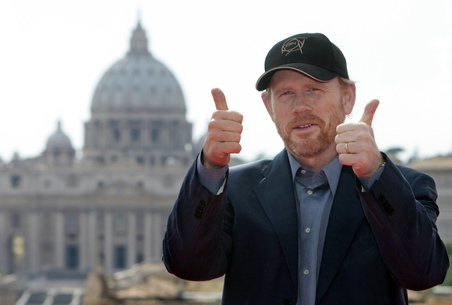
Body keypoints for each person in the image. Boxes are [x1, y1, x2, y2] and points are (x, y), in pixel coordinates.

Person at [162, 33, 449, 305]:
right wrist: (211, 167)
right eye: (286, 93)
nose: (300, 106)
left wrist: (375, 175)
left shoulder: (405, 187)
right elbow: (187, 265)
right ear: (269, 106)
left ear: (347, 97)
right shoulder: (233, 189)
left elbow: (423, 273)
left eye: (314, 89)